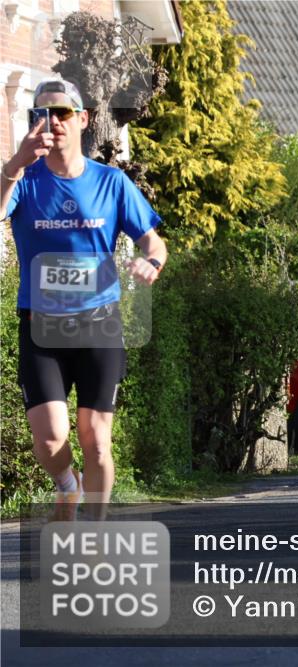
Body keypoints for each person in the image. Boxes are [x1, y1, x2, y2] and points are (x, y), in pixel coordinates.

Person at [1, 78, 167, 518]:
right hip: (41, 326)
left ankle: (95, 529)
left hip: (98, 324)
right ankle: (67, 485)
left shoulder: (111, 182)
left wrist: (151, 261)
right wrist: (16, 161)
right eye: (41, 114)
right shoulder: (24, 180)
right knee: (50, 439)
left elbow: (154, 242)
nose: (52, 122)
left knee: (95, 439)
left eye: (62, 113)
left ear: (84, 119)